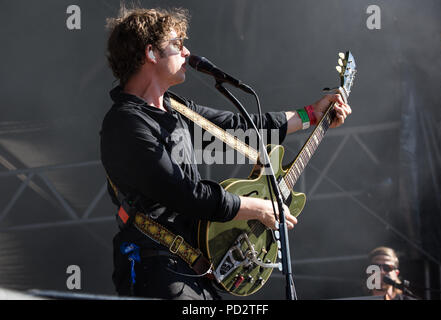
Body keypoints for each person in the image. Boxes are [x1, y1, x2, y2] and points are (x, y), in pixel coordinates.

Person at [100, 6, 352, 300]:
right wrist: (258, 209)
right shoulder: (126, 123)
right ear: (152, 54)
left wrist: (311, 113)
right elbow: (185, 194)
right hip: (155, 267)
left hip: (197, 272)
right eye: (177, 44)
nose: (187, 52)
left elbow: (241, 128)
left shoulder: (175, 108)